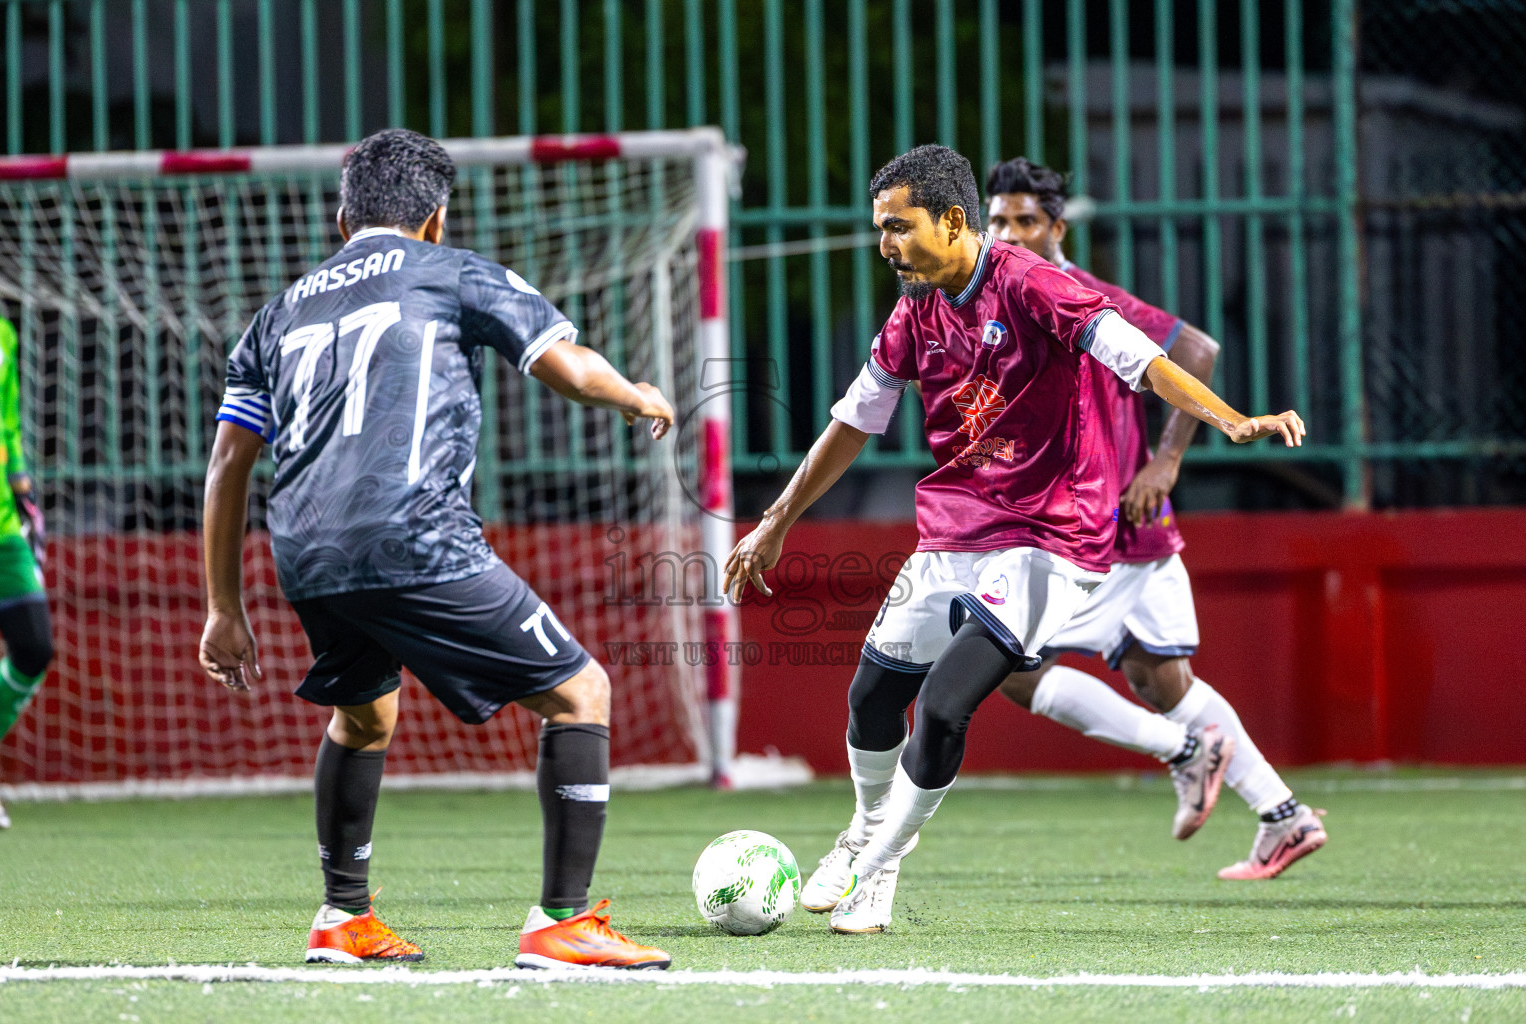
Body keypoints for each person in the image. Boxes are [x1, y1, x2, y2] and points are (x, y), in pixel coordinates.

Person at [723, 145, 1305, 934]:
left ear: (952, 221)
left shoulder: (1033, 284)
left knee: (946, 704)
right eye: (880, 229)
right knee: (871, 698)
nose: (885, 245)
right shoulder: (916, 305)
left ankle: (878, 866)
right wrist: (777, 520)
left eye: (898, 228)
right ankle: (863, 831)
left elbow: (1148, 361)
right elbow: (854, 419)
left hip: (1045, 541)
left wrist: (1231, 419)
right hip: (950, 533)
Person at [200, 129, 672, 969]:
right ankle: (562, 923)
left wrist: (221, 608)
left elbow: (229, 462)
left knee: (363, 713)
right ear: (438, 220)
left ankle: (343, 919)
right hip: (412, 536)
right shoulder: (452, 272)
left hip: (305, 549)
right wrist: (636, 396)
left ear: (343, 216)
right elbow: (563, 366)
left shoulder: (278, 311)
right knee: (580, 693)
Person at [985, 157, 1326, 880]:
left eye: (1025, 221)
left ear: (1056, 227)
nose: (1009, 233)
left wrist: (1165, 463)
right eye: (998, 221)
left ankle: (1187, 754)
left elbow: (1197, 350)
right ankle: (1283, 817)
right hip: (1120, 528)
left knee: (1008, 666)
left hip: (1100, 528)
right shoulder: (1007, 298)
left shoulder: (1077, 293)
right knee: (1161, 681)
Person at [0, 309, 54, 831]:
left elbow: (6, 421)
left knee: (34, 646)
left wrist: (22, 489)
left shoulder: (0, 331)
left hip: (0, 525)